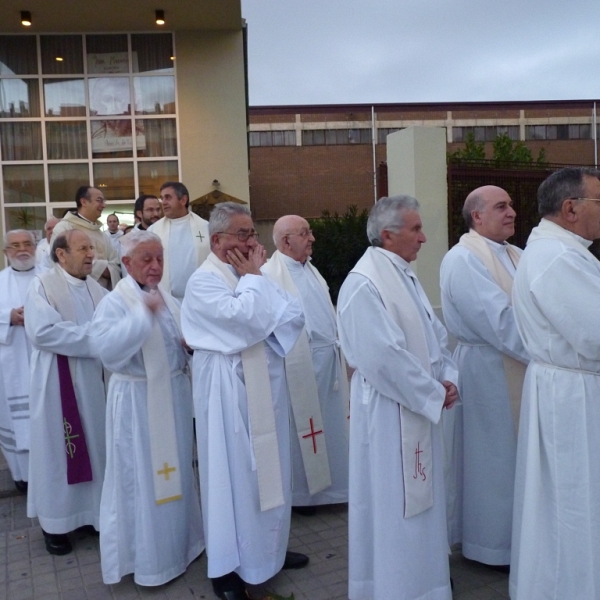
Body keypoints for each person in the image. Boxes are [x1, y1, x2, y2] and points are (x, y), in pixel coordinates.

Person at [181, 202, 307, 600]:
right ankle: (227, 568)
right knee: (231, 476)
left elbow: (293, 315)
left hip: (264, 384)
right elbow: (243, 321)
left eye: (253, 233)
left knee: (271, 472)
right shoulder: (203, 281)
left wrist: (256, 296)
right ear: (217, 240)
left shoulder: (253, 274)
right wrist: (256, 286)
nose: (253, 243)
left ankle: (268, 550)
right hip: (225, 390)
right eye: (244, 235)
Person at [337, 195, 458, 600]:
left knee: (421, 504)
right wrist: (432, 392)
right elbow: (381, 357)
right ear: (388, 236)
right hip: (389, 412)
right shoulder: (365, 281)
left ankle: (427, 581)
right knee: (393, 506)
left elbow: (435, 337)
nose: (424, 238)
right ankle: (395, 586)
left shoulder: (402, 274)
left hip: (414, 405)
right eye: (416, 229)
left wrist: (449, 378)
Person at [92, 229, 204, 586]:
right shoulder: (114, 303)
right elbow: (107, 352)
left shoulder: (166, 297)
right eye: (147, 260)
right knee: (142, 480)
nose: (156, 266)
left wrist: (189, 345)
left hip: (172, 396)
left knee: (176, 474)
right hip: (138, 405)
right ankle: (151, 562)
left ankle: (180, 547)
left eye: (160, 258)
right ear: (126, 263)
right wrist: (142, 317)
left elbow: (184, 337)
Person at [510, 167, 600, 600]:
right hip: (573, 396)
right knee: (573, 500)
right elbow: (595, 332)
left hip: (566, 388)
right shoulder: (557, 257)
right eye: (599, 201)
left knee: (565, 500)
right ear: (570, 208)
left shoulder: (559, 250)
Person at [440, 186, 528, 567]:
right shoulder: (463, 259)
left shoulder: (515, 253)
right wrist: (552, 347)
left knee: (514, 459)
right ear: (476, 217)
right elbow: (498, 321)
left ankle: (521, 540)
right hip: (487, 372)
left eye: (510, 205)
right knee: (492, 462)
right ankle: (491, 546)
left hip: (517, 368)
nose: (511, 212)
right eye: (501, 206)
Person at [25, 230, 107, 556]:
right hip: (57, 383)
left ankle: (89, 515)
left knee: (94, 445)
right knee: (57, 452)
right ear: (61, 254)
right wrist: (96, 338)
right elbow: (43, 332)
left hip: (92, 382)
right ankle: (56, 524)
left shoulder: (96, 288)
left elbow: (113, 324)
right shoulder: (42, 285)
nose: (91, 254)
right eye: (83, 248)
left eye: (92, 248)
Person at [263, 215, 349, 512]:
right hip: (299, 366)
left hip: (327, 362)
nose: (312, 238)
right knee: (303, 428)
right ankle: (303, 495)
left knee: (331, 426)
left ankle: (333, 489)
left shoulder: (309, 269)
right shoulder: (269, 275)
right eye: (305, 233)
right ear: (286, 241)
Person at [0, 230, 41, 493]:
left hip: (44, 361)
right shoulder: (0, 281)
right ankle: (22, 475)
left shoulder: (50, 277)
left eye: (27, 244)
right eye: (15, 246)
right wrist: (8, 316)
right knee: (15, 421)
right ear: (6, 252)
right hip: (11, 363)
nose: (22, 249)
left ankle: (48, 472)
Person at [149, 182, 209, 300]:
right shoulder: (153, 230)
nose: (163, 202)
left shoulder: (205, 228)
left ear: (183, 200)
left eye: (168, 197)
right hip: (166, 299)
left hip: (200, 298)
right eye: (162, 198)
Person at [51, 186, 120, 289]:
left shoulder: (102, 234)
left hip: (102, 295)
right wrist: (101, 268)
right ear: (84, 202)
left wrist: (109, 270)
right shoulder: (65, 228)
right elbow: (59, 261)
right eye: (99, 201)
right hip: (74, 292)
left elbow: (116, 263)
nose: (103, 205)